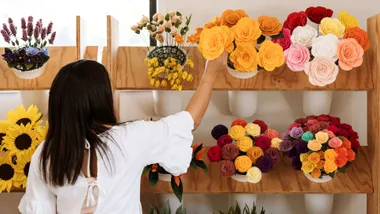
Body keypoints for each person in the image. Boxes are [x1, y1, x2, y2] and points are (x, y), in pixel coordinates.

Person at [18, 52, 227, 214]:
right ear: (102, 97)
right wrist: (210, 73)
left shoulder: (46, 153)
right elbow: (190, 120)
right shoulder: (132, 136)